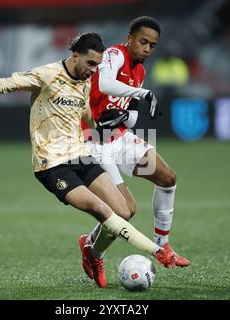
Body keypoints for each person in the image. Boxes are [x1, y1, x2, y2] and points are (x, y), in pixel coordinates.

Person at [0, 32, 180, 288]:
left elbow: (86, 116)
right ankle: (156, 250)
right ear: (75, 55)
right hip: (52, 165)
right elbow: (4, 84)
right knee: (104, 212)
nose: (93, 71)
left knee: (123, 211)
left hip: (81, 156)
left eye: (97, 66)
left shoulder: (85, 83)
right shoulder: (47, 75)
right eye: (89, 64)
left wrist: (105, 121)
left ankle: (91, 253)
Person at [79, 17, 190, 288]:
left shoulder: (138, 71)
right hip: (92, 143)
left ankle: (163, 246)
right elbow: (104, 85)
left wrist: (125, 114)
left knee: (167, 177)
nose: (148, 49)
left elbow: (126, 116)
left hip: (119, 138)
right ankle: (92, 249)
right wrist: (143, 94)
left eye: (153, 45)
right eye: (143, 42)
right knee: (125, 211)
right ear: (129, 38)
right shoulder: (114, 55)